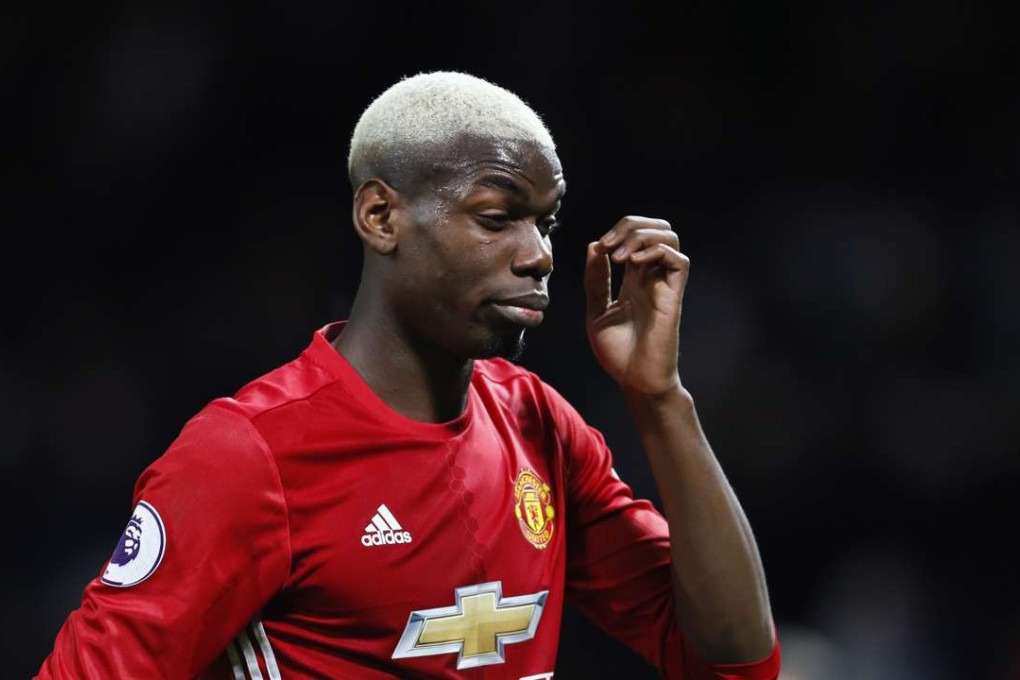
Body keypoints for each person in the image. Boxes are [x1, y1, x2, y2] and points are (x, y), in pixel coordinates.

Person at [36, 71, 780, 679]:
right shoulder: (248, 455)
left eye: (546, 224)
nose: (539, 256)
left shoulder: (540, 427)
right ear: (381, 217)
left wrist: (660, 399)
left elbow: (734, 660)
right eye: (497, 218)